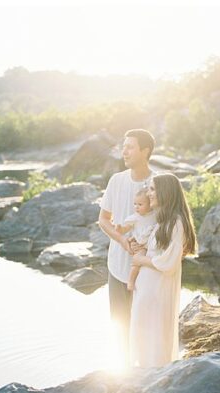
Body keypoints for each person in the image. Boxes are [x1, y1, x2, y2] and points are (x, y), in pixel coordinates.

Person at [98, 129, 155, 365]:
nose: (124, 151)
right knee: (119, 327)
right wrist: (122, 240)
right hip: (116, 268)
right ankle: (122, 376)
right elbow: (103, 220)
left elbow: (166, 225)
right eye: (124, 146)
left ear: (145, 151)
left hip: (147, 269)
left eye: (130, 147)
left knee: (143, 329)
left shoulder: (157, 183)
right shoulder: (116, 181)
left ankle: (144, 376)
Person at [128, 173, 197, 368]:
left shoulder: (176, 222)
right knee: (144, 329)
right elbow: (154, 249)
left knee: (155, 331)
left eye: (152, 189)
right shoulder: (162, 221)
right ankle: (142, 370)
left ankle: (154, 372)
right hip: (147, 286)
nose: (149, 194)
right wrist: (138, 246)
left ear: (164, 192)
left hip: (157, 287)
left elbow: (169, 262)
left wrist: (142, 259)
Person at [115, 189, 158, 291]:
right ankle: (131, 281)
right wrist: (120, 228)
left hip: (152, 244)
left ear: (150, 204)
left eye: (140, 204)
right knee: (137, 262)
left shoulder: (155, 215)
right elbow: (126, 228)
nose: (136, 207)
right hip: (141, 244)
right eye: (135, 204)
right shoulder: (135, 217)